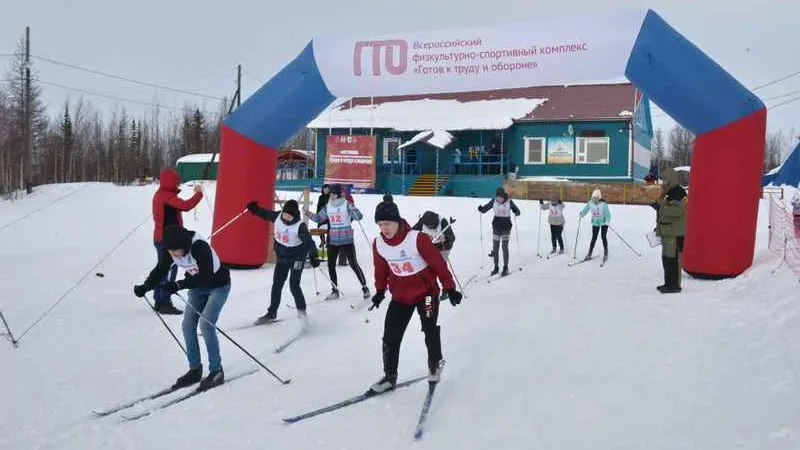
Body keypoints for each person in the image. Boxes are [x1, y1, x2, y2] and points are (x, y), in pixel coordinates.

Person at [367, 195, 463, 394]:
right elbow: (381, 270)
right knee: (390, 337)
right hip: (401, 297)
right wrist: (379, 290)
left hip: (426, 294)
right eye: (380, 224)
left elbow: (438, 263)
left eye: (388, 223)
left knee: (429, 328)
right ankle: (389, 376)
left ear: (397, 221)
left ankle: (435, 363)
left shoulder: (417, 239)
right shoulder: (379, 244)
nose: (384, 228)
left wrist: (449, 287)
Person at [133, 225, 231, 391]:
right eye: (171, 251)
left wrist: (179, 284)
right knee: (187, 326)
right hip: (196, 288)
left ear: (184, 245)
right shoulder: (172, 249)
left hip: (218, 286)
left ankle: (217, 371)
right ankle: (195, 369)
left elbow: (205, 276)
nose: (174, 255)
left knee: (206, 325)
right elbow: (160, 270)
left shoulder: (199, 247)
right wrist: (145, 287)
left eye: (176, 251)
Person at [246, 199, 320, 324]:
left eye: (289, 215)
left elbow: (309, 242)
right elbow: (266, 214)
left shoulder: (299, 226)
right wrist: (255, 209)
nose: (286, 217)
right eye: (285, 213)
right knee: (277, 284)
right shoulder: (278, 216)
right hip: (282, 257)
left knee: (294, 285)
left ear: (295, 214)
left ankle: (302, 313)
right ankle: (272, 312)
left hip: (296, 259)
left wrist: (313, 255)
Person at [150, 168, 204, 315]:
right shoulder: (166, 196)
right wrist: (199, 194)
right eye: (176, 181)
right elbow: (186, 206)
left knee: (162, 269)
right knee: (168, 271)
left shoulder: (161, 195)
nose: (177, 184)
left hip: (162, 238)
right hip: (167, 240)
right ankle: (164, 302)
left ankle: (159, 300)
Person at [304, 184, 370, 300]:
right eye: (331, 194)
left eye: (334, 194)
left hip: (346, 239)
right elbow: (319, 218)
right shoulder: (328, 206)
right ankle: (335, 290)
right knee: (331, 265)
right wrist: (308, 213)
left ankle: (364, 287)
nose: (332, 196)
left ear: (339, 194)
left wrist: (354, 211)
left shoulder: (346, 204)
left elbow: (359, 216)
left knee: (353, 264)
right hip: (333, 239)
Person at [650, 168, 687, 293]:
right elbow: (664, 210)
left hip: (675, 233)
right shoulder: (668, 192)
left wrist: (660, 207)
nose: (663, 183)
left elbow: (678, 212)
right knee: (666, 259)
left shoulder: (679, 193)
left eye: (665, 180)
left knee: (673, 260)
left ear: (671, 180)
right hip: (667, 231)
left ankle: (674, 286)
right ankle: (668, 283)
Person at [412, 211, 457, 300]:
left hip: (444, 247)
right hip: (432, 246)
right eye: (429, 226)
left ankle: (447, 290)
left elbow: (452, 237)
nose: (430, 228)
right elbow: (413, 231)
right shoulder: (423, 221)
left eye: (433, 226)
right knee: (428, 268)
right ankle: (428, 288)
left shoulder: (443, 221)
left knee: (441, 267)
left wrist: (445, 238)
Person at [478, 187, 521, 276]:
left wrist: (516, 212)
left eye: (500, 198)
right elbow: (486, 208)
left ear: (503, 196)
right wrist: (481, 209)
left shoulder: (509, 201)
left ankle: (505, 267)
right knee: (495, 248)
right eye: (497, 198)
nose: (498, 200)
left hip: (506, 227)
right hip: (496, 227)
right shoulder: (494, 201)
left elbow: (517, 210)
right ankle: (496, 267)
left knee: (504, 247)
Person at [579, 189, 611, 261]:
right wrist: (582, 213)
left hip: (603, 223)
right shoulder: (590, 203)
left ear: (599, 198)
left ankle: (606, 252)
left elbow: (608, 214)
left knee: (603, 237)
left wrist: (607, 221)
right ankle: (589, 253)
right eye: (593, 198)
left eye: (596, 198)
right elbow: (586, 209)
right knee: (594, 238)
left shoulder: (604, 204)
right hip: (595, 222)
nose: (594, 199)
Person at [315, 184, 331, 251]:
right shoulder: (320, 197)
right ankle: (322, 241)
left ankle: (328, 242)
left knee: (329, 228)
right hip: (321, 215)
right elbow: (318, 206)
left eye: (327, 189)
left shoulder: (331, 197)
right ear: (323, 190)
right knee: (320, 227)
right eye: (325, 189)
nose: (326, 190)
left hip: (329, 216)